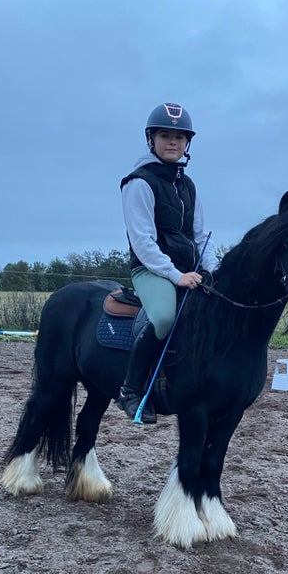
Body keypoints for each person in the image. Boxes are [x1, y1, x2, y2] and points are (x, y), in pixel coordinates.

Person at [117, 102, 218, 424]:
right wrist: (176, 276)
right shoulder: (139, 183)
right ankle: (131, 391)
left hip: (190, 271)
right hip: (152, 270)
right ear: (151, 140)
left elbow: (201, 234)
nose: (172, 142)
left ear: (188, 143)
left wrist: (212, 270)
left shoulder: (187, 185)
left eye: (179, 137)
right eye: (165, 136)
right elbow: (143, 241)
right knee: (162, 318)